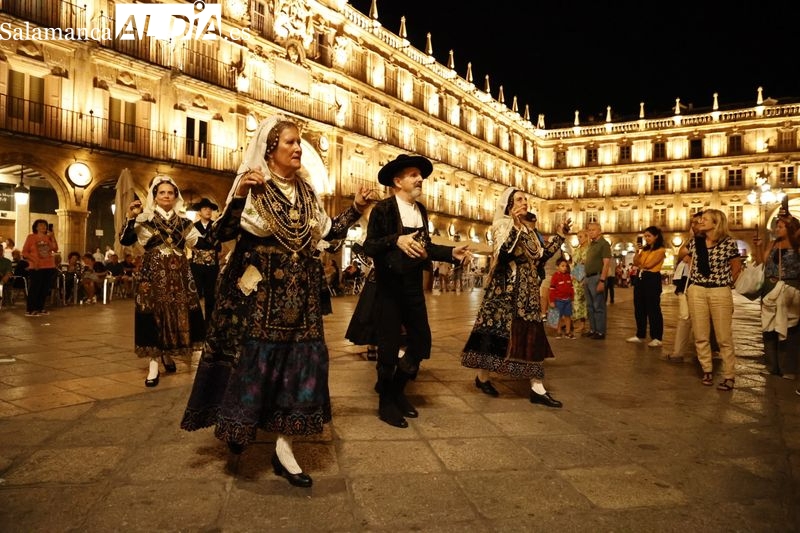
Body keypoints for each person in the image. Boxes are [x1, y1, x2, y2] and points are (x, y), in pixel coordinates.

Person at [180, 116, 375, 488]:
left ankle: (285, 449)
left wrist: (355, 208)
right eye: (290, 142)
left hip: (301, 298)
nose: (298, 148)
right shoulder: (253, 186)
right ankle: (241, 424)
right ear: (270, 149)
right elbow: (219, 235)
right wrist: (239, 195)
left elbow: (328, 234)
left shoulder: (307, 191)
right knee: (253, 366)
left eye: (298, 142)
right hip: (258, 299)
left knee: (299, 369)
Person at [363, 153, 471, 428]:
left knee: (421, 343)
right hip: (388, 287)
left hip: (412, 287)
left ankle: (396, 390)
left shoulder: (420, 210)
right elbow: (370, 246)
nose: (420, 178)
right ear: (397, 181)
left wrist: (451, 253)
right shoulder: (383, 209)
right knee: (388, 348)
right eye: (413, 175)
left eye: (419, 175)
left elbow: (426, 247)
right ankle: (386, 402)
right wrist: (395, 240)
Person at [461, 187, 571, 407]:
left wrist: (560, 236)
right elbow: (503, 254)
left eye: (525, 199)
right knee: (496, 339)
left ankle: (537, 387)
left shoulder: (528, 230)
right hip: (506, 294)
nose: (524, 202)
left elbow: (540, 257)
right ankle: (483, 378)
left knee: (532, 337)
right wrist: (515, 226)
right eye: (519, 199)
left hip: (528, 291)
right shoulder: (502, 225)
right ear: (509, 205)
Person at [119, 176, 206, 387]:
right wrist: (130, 217)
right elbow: (125, 240)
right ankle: (153, 363)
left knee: (176, 313)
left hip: (179, 275)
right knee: (153, 314)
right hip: (153, 274)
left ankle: (167, 353)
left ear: (175, 196)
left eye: (170, 193)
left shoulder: (185, 223)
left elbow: (202, 243)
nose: (166, 196)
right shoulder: (144, 219)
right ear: (155, 197)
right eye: (162, 193)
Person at [678, 209, 743, 390]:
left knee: (724, 337)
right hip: (697, 290)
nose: (700, 222)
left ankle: (729, 375)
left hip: (719, 291)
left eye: (704, 219)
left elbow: (736, 267)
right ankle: (707, 369)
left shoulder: (728, 243)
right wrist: (690, 236)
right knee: (700, 335)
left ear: (716, 223)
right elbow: (681, 254)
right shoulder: (696, 242)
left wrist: (726, 284)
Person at [752, 200, 800, 380]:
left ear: (790, 228)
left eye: (780, 226)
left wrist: (791, 220)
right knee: (769, 328)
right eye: (776, 226)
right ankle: (772, 366)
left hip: (790, 287)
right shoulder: (772, 244)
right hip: (770, 287)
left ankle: (788, 368)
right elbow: (762, 263)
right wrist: (758, 247)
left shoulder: (797, 246)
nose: (776, 229)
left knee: (790, 329)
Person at [626, 226, 666, 347]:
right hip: (640, 277)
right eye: (645, 236)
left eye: (649, 236)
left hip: (652, 278)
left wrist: (640, 264)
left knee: (653, 308)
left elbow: (649, 264)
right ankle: (640, 334)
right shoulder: (644, 250)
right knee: (639, 307)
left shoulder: (660, 250)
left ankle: (657, 337)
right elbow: (636, 262)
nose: (647, 238)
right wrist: (637, 252)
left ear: (656, 236)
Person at [189, 197, 222, 321]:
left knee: (210, 295)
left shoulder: (216, 226)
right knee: (196, 293)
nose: (208, 211)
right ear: (199, 212)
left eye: (210, 209)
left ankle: (209, 322)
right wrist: (207, 244)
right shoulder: (193, 227)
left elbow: (218, 245)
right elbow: (191, 243)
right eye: (205, 209)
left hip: (212, 266)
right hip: (197, 266)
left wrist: (202, 244)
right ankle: (196, 322)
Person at [21, 219, 59, 317]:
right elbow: (24, 252)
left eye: (45, 225)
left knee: (45, 288)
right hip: (36, 266)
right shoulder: (31, 237)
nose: (43, 227)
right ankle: (30, 310)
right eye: (41, 225)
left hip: (49, 265)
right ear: (36, 227)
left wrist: (53, 237)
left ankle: (40, 308)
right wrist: (34, 260)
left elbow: (55, 249)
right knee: (35, 288)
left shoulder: (48, 237)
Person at [583, 222, 611, 339]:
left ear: (599, 231)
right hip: (588, 277)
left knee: (598, 306)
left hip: (597, 277)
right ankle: (593, 329)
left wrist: (602, 280)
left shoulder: (604, 244)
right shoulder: (591, 244)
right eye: (589, 230)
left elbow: (606, 263)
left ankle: (600, 331)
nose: (590, 232)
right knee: (590, 306)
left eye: (593, 230)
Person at [549, 257, 575, 338]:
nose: (565, 268)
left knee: (568, 316)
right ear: (557, 267)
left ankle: (568, 332)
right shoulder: (555, 277)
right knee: (558, 316)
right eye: (562, 266)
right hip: (558, 300)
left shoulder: (568, 276)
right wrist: (552, 301)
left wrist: (572, 297)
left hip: (568, 300)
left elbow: (571, 287)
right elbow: (552, 290)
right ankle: (558, 331)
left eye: (566, 266)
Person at [571, 229, 589, 335]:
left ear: (586, 237)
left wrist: (579, 276)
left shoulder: (589, 249)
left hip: (583, 277)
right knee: (576, 300)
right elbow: (574, 263)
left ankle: (583, 324)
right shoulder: (577, 249)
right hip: (576, 278)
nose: (579, 239)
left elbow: (584, 263)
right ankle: (577, 322)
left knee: (583, 301)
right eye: (578, 237)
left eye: (581, 237)